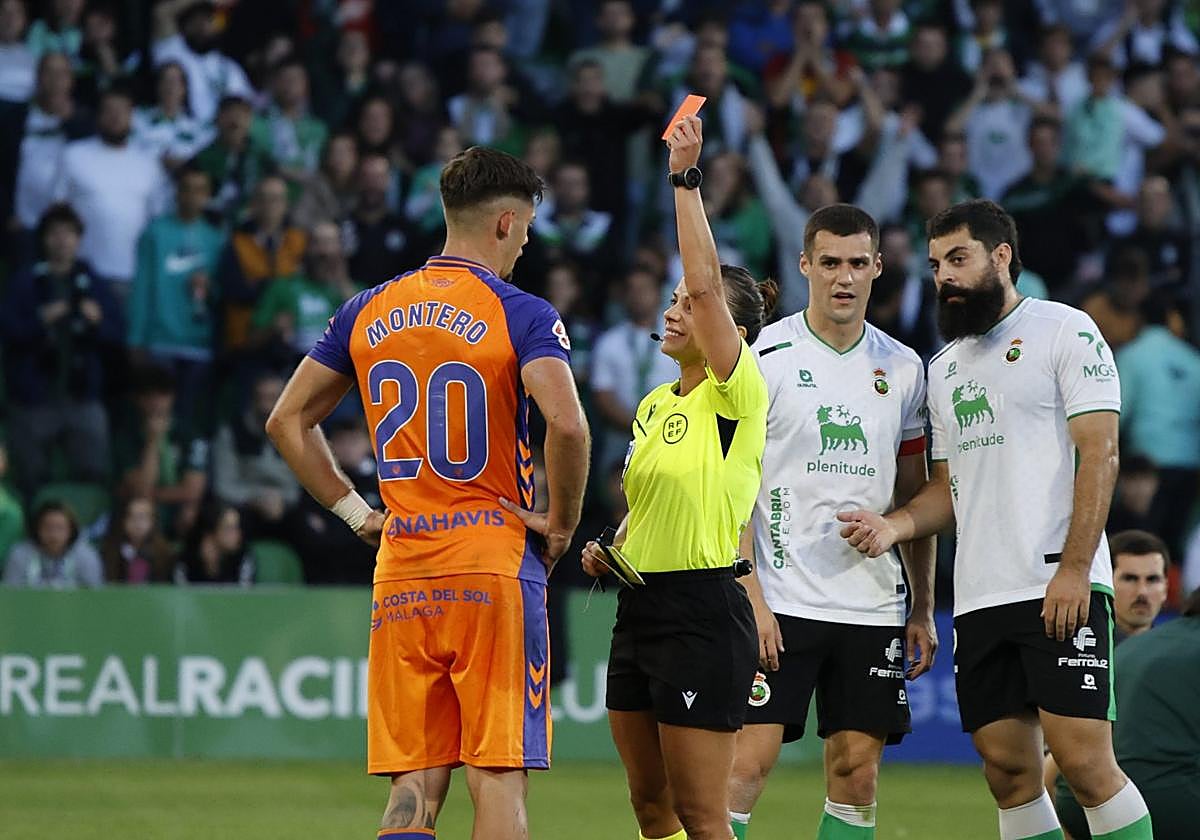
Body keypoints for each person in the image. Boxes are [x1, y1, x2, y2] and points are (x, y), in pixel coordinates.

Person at [266, 144, 589, 839]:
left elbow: (286, 421)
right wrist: (561, 524)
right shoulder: (520, 311)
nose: (526, 246)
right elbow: (567, 424)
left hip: (404, 568)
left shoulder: (367, 308)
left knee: (413, 786)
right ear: (505, 223)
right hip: (492, 562)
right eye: (527, 230)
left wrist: (357, 513)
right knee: (497, 777)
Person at [840, 199, 1154, 840]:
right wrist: (895, 526)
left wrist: (1072, 569)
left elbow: (1102, 453)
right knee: (1007, 772)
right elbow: (949, 488)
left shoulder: (1065, 330)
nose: (944, 277)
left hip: (1055, 585)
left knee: (1084, 764)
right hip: (982, 596)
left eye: (958, 259)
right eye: (935, 264)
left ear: (1001, 256)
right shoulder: (945, 367)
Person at [581, 115, 773, 840]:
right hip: (641, 607)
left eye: (686, 306)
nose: (672, 311)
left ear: (728, 330)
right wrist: (616, 546)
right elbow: (645, 506)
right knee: (650, 808)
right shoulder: (656, 402)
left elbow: (704, 281)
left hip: (702, 612)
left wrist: (685, 181)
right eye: (670, 302)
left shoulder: (739, 391)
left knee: (701, 814)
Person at [728, 204, 936, 840]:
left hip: (870, 604)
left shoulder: (904, 369)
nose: (842, 278)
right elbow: (731, 488)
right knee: (742, 769)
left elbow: (913, 491)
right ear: (804, 266)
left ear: (877, 268)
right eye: (828, 264)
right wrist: (749, 593)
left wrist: (922, 605)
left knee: (857, 773)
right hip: (779, 600)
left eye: (855, 264)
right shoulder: (764, 357)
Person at [1050, 529, 1170, 838]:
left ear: (1167, 588)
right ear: (1108, 579)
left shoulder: (1176, 658)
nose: (1142, 591)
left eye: (1152, 580)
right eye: (1130, 579)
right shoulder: (1078, 653)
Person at [3, 500, 103, 588]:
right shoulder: (20, 554)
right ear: (37, 528)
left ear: (71, 530)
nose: (53, 535)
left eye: (60, 528)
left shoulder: (86, 556)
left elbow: (95, 594)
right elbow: (9, 593)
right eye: (48, 528)